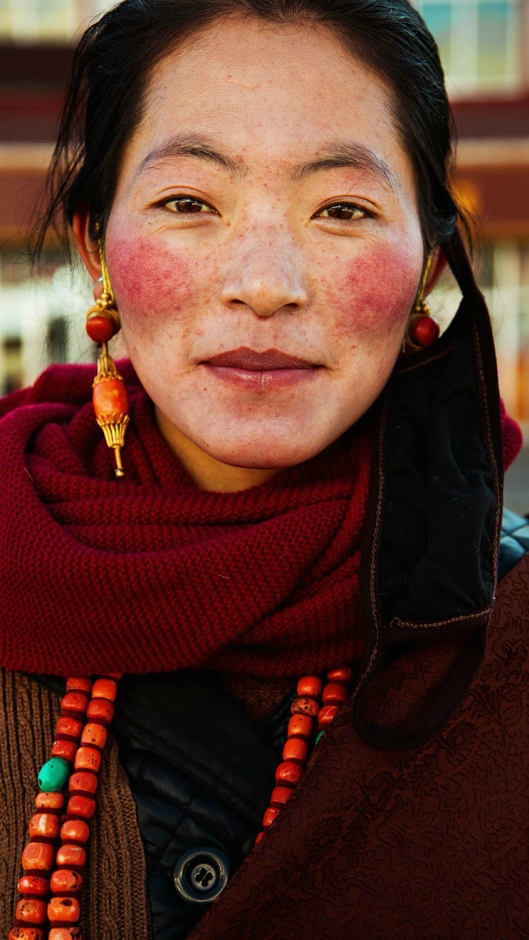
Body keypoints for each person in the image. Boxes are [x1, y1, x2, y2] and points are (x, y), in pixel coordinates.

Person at [1, 1, 528, 938]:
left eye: (341, 209)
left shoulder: (504, 621)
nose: (264, 281)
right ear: (95, 246)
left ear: (427, 267)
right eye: (189, 202)